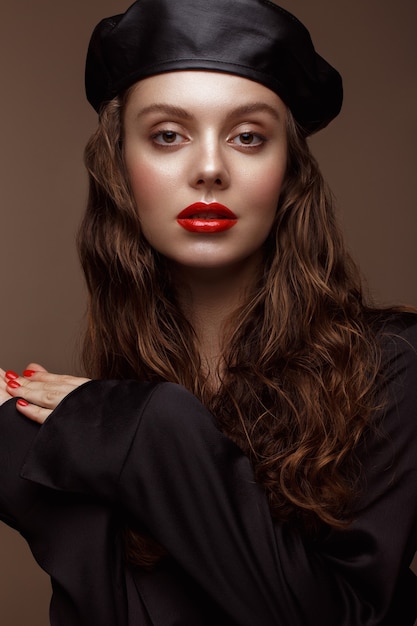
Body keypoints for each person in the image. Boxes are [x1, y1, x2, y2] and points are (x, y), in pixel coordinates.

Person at [0, 0, 416, 624]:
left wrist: (155, 434)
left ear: (290, 171)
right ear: (119, 167)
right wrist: (47, 494)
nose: (211, 168)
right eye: (168, 135)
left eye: (249, 136)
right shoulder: (97, 417)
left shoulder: (395, 367)